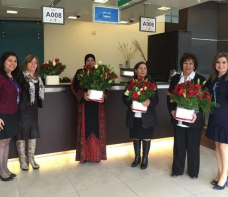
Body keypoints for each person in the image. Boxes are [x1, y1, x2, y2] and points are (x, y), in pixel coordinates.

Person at [167, 52, 206, 179]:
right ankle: (177, 170)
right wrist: (172, 110)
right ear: (181, 65)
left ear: (194, 66)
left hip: (194, 119)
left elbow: (203, 101)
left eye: (190, 63)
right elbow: (170, 97)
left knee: (193, 145)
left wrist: (197, 114)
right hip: (178, 117)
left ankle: (193, 172)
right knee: (179, 145)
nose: (187, 66)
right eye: (185, 63)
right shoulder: (175, 79)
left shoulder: (201, 80)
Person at [71, 54, 108, 163]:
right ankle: (84, 156)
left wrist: (104, 97)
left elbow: (106, 88)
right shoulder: (80, 72)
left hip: (97, 107)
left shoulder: (100, 73)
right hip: (84, 107)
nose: (90, 62)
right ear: (85, 62)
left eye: (92, 60)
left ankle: (96, 156)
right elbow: (74, 86)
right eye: (88, 60)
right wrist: (83, 95)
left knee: (96, 129)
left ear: (95, 62)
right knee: (85, 129)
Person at [122, 61, 159, 170]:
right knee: (136, 136)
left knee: (146, 137)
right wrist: (130, 105)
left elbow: (156, 99)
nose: (143, 70)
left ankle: (145, 159)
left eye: (145, 68)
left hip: (147, 116)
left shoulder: (151, 83)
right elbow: (124, 97)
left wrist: (149, 102)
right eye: (140, 68)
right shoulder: (131, 82)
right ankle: (137, 157)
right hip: (134, 116)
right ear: (136, 70)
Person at [16, 55, 45, 170]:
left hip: (33, 110)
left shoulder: (38, 77)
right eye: (30, 62)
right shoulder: (20, 76)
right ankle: (22, 160)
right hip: (21, 109)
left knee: (33, 133)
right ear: (25, 63)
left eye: (35, 62)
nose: (33, 64)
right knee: (21, 134)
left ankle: (31, 158)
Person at [205, 52, 228, 190]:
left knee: (224, 147)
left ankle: (225, 176)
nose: (221, 65)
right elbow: (204, 93)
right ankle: (219, 173)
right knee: (217, 146)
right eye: (218, 62)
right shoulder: (212, 79)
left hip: (226, 117)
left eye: (224, 62)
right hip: (214, 116)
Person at [0, 52, 20, 181]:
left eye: (15, 61)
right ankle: (1, 171)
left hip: (12, 114)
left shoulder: (12, 77)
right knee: (1, 143)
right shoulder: (1, 77)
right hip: (2, 115)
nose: (13, 63)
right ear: (3, 62)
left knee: (6, 142)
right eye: (10, 60)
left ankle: (5, 168)